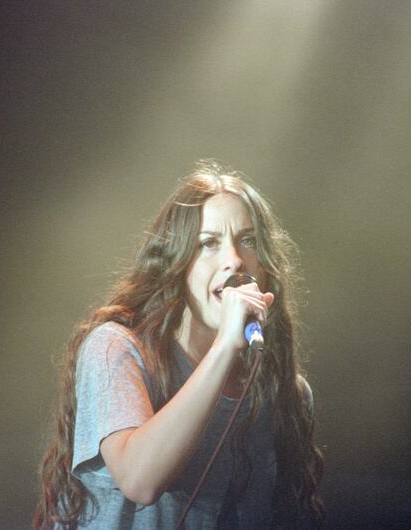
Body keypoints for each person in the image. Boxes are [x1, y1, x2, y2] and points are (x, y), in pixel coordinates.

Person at [34, 160, 324, 529]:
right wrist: (225, 349)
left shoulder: (283, 392)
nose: (234, 260)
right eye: (208, 243)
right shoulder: (115, 349)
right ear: (178, 263)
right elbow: (140, 480)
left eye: (247, 241)